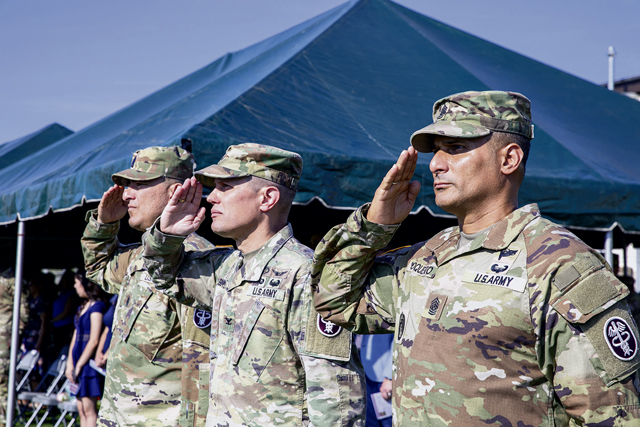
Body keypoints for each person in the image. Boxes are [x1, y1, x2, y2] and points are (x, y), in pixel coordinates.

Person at [312, 91, 640, 425]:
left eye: (455, 148)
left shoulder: (559, 264)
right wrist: (374, 226)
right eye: (437, 151)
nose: (436, 164)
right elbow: (334, 300)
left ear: (508, 159)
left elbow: (610, 416)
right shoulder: (427, 257)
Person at [141, 143, 366, 426]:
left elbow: (335, 398)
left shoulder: (304, 273)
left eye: (226, 186)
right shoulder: (226, 266)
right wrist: (166, 235)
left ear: (267, 198)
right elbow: (164, 276)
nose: (211, 198)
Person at [81, 146, 214, 427]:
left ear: (175, 192)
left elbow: (201, 368)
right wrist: (104, 225)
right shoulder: (142, 255)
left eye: (139, 184)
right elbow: (98, 268)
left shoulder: (193, 261)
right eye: (128, 184)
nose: (126, 194)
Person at [66, 272, 109, 427]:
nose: (75, 286)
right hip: (77, 359)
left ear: (86, 284)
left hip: (87, 364)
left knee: (89, 409)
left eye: (77, 282)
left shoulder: (97, 306)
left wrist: (79, 365)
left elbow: (94, 340)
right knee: (80, 408)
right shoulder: (83, 306)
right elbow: (74, 338)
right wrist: (70, 364)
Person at [357, 334, 393, 427]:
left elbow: (398, 341)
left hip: (383, 377)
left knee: (388, 422)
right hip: (364, 372)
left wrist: (390, 376)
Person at [94, 294, 117, 369]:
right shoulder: (114, 299)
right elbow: (106, 329)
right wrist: (98, 353)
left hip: (114, 357)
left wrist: (108, 354)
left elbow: (122, 333)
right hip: (103, 358)